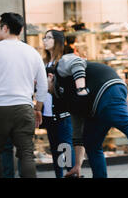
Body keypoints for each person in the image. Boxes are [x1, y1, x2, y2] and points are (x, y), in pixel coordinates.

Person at [48, 51, 128, 178]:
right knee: (90, 142)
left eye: (39, 83)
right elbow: (78, 134)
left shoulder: (60, 67)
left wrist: (81, 88)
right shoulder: (64, 98)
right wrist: (77, 165)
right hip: (96, 108)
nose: (38, 87)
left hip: (107, 86)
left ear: (50, 76)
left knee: (121, 119)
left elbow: (76, 62)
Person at [0, 12, 47, 178]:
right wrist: (38, 108)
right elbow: (43, 85)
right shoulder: (32, 53)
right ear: (21, 30)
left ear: (5, 28)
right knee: (26, 154)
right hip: (24, 108)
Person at [39, 30, 76, 178]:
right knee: (55, 150)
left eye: (48, 38)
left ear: (58, 41)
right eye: (44, 37)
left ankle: (71, 174)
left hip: (62, 114)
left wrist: (52, 85)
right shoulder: (45, 62)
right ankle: (59, 176)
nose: (44, 40)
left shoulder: (64, 61)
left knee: (65, 147)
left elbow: (68, 87)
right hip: (48, 114)